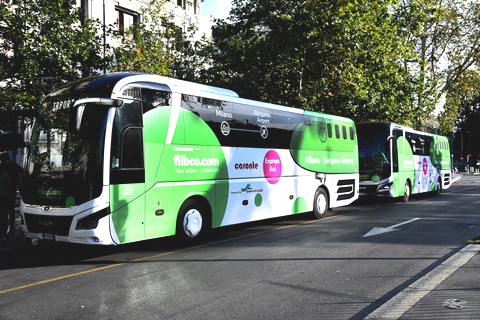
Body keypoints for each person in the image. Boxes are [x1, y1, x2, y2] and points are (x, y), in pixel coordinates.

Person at [0, 152, 22, 238]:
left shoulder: (2, 167)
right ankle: (12, 227)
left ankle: (5, 229)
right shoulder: (13, 165)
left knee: (4, 211)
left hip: (6, 190)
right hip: (12, 189)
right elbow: (22, 171)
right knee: (11, 209)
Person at [0, 154, 11, 241]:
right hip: (4, 196)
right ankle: (3, 234)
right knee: (4, 216)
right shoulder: (4, 173)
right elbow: (8, 185)